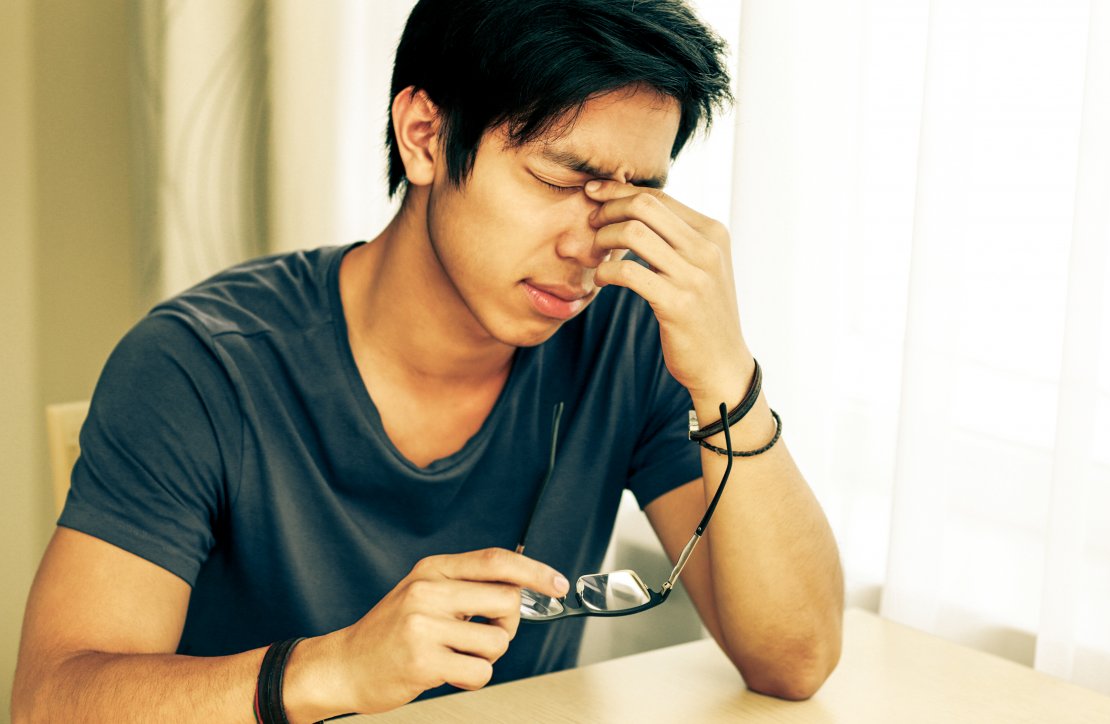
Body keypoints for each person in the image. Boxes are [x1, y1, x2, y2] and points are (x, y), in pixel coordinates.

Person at [12, 0, 844, 720]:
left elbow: (794, 660)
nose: (591, 246)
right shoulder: (199, 368)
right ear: (424, 137)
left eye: (631, 199)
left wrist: (728, 375)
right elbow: (53, 702)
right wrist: (336, 668)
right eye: (560, 179)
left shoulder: (625, 339)